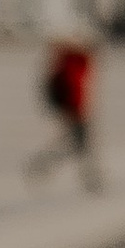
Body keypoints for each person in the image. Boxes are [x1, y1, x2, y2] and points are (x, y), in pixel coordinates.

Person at [25, 19, 102, 187]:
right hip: (74, 110)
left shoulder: (76, 60)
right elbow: (64, 87)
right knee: (80, 147)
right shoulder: (70, 62)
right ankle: (43, 165)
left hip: (78, 109)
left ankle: (88, 177)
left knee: (79, 146)